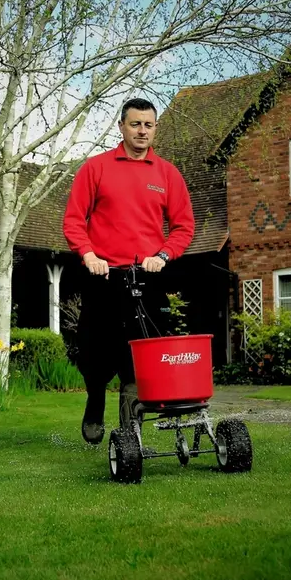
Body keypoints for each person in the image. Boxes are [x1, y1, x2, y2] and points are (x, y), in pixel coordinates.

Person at [62, 97, 195, 444]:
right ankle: (94, 400)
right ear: (121, 127)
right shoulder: (96, 168)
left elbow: (184, 227)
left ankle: (128, 430)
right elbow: (74, 221)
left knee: (139, 350)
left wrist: (164, 255)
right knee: (94, 347)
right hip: (103, 275)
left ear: (155, 129)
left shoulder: (167, 174)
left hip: (146, 276)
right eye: (135, 124)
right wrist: (89, 255)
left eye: (148, 125)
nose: (141, 131)